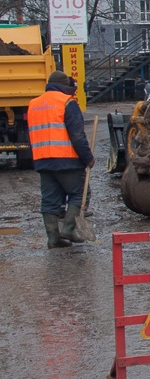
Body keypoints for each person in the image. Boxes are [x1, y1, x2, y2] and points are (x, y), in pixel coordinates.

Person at [28, 71, 94, 248]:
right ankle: (68, 229)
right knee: (79, 194)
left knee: (50, 200)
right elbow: (77, 136)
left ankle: (53, 238)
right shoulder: (67, 102)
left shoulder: (33, 104)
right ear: (66, 86)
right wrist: (88, 158)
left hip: (43, 160)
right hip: (67, 160)